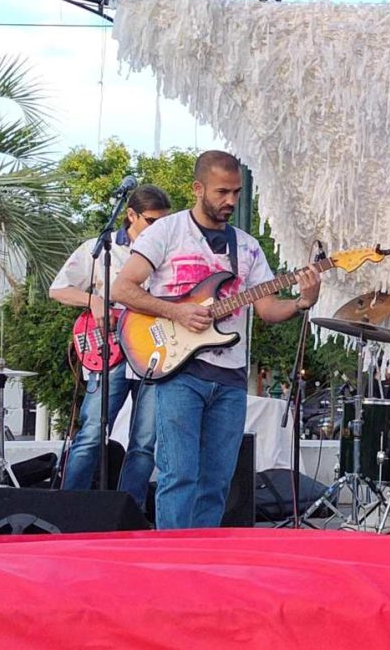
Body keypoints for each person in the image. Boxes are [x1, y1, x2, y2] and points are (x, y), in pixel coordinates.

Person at [112, 150, 320, 529]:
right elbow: (122, 289)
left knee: (218, 482)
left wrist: (302, 302)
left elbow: (268, 309)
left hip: (230, 377)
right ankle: (172, 554)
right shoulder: (167, 231)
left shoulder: (248, 246)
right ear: (198, 188)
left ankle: (203, 554)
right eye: (222, 191)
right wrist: (177, 312)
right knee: (178, 476)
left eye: (236, 192)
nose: (231, 200)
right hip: (179, 372)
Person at [50, 185, 171, 506]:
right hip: (111, 350)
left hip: (153, 352)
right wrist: (93, 301)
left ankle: (128, 511)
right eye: (151, 221)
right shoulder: (103, 248)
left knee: (144, 442)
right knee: (92, 432)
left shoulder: (170, 251)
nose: (158, 228)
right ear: (130, 215)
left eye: (164, 221)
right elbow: (58, 289)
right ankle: (66, 509)